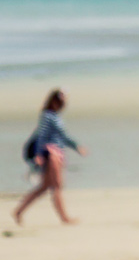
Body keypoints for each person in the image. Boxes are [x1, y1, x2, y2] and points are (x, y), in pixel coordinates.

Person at [13, 88, 87, 225]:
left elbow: (63, 136)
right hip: (52, 153)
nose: (62, 105)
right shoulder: (47, 116)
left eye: (63, 102)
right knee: (57, 186)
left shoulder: (55, 116)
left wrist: (76, 146)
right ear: (52, 101)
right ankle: (65, 218)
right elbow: (42, 136)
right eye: (60, 101)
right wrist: (39, 155)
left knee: (45, 187)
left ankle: (19, 211)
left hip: (57, 152)